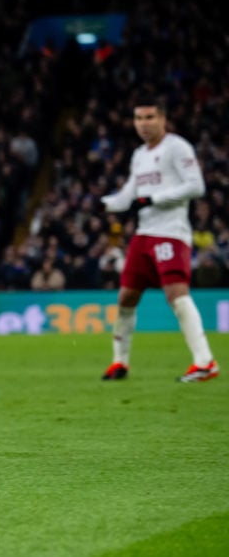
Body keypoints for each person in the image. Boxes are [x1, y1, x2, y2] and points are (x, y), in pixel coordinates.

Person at [99, 100, 218, 383]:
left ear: (163, 118)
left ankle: (205, 362)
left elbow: (196, 186)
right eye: (138, 117)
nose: (143, 123)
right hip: (144, 234)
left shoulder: (177, 147)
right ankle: (119, 363)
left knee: (176, 293)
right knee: (126, 297)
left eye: (150, 117)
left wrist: (154, 199)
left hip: (171, 232)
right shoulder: (139, 154)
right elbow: (129, 194)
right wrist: (105, 203)